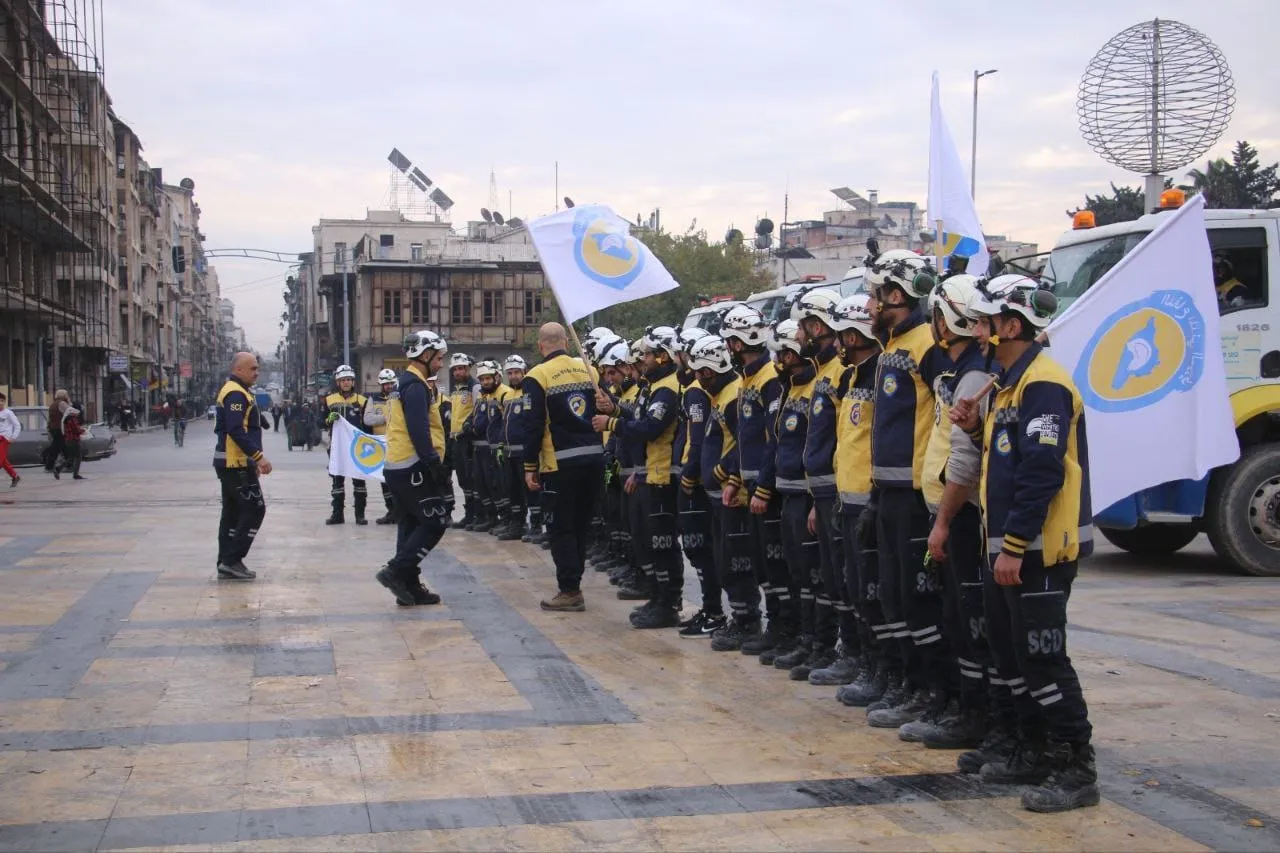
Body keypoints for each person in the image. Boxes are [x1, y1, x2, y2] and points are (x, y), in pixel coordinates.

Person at [951, 274, 1098, 813]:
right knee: (1010, 655)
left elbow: (1041, 472)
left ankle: (1075, 768)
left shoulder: (1043, 385)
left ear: (1013, 325)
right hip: (1008, 547)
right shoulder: (1009, 385)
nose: (981, 332)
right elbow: (1001, 462)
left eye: (989, 323)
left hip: (1036, 550)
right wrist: (970, 427)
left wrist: (1013, 546)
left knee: (1043, 660)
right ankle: (1030, 750)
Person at [861, 249, 950, 731]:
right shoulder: (890, 347)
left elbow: (947, 418)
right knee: (892, 597)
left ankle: (933, 692)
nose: (869, 304)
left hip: (917, 496)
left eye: (875, 294)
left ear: (896, 294)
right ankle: (904, 682)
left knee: (918, 604)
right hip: (888, 493)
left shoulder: (926, 345)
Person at [909, 274, 995, 749]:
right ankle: (958, 705)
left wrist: (942, 521)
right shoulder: (961, 371)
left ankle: (973, 714)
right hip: (947, 512)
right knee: (951, 615)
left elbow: (964, 459)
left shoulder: (974, 378)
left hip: (962, 517)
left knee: (966, 620)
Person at [596, 326, 684, 629]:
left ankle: (669, 602)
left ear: (663, 356)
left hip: (662, 478)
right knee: (651, 543)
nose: (642, 359)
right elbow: (638, 416)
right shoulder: (652, 386)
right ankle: (659, 598)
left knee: (663, 544)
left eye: (647, 354)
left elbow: (650, 428)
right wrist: (618, 408)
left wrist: (612, 422)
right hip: (649, 474)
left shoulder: (668, 388)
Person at [794, 288, 860, 688]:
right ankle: (838, 648)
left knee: (846, 579)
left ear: (816, 326)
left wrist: (830, 496)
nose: (797, 337)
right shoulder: (823, 372)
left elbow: (843, 440)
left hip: (837, 494)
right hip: (819, 495)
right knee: (830, 579)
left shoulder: (838, 372)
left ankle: (851, 652)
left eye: (802, 328)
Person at [525, 322, 605, 612]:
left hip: (560, 462)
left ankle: (569, 589)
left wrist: (529, 464)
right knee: (581, 525)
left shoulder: (537, 375)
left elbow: (532, 425)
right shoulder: (590, 370)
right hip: (594, 458)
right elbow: (605, 407)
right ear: (566, 344)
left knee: (561, 527)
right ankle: (574, 582)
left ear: (540, 345)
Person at [764, 319, 826, 677]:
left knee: (814, 576)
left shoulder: (814, 384)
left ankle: (818, 643)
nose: (780, 361)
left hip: (806, 494)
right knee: (796, 573)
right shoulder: (790, 389)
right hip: (787, 493)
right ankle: (803, 639)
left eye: (784, 353)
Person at [377, 331, 451, 607]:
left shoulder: (404, 382)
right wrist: (434, 464)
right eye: (439, 357)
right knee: (435, 520)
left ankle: (408, 584)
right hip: (412, 465)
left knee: (410, 523)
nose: (441, 363)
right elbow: (419, 430)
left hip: (398, 465)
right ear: (425, 355)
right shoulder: (416, 386)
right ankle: (395, 571)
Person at [213, 352, 272, 581]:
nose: (256, 372)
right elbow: (236, 430)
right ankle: (231, 560)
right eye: (253, 368)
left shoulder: (240, 391)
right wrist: (258, 457)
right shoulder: (235, 393)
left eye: (257, 368)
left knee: (232, 513)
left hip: (232, 462)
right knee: (255, 509)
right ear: (238, 370)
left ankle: (225, 561)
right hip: (234, 462)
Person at [324, 365, 369, 525]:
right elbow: (320, 421)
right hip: (336, 447)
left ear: (353, 381)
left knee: (359, 482)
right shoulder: (329, 400)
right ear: (338, 382)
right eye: (343, 380)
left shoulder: (362, 401)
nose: (346, 383)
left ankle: (360, 514)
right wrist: (328, 419)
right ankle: (337, 514)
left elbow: (368, 425)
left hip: (357, 447)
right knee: (337, 481)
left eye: (349, 380)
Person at [364, 368, 402, 526]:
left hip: (397, 443)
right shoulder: (373, 399)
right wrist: (386, 417)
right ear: (381, 385)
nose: (389, 386)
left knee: (398, 481)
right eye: (386, 384)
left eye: (391, 383)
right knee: (384, 480)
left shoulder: (400, 397)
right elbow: (368, 419)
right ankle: (391, 510)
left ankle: (400, 511)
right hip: (380, 445)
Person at [499, 354, 530, 541]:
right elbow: (505, 423)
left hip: (524, 450)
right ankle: (517, 524)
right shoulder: (507, 395)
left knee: (529, 490)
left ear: (524, 371)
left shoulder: (529, 393)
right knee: (512, 489)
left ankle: (534, 524)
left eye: (516, 372)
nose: (513, 376)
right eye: (510, 373)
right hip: (509, 451)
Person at [447, 353, 479, 527]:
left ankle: (476, 514)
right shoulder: (456, 389)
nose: (458, 372)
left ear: (468, 369)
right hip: (455, 439)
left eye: (461, 369)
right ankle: (469, 513)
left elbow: (478, 411)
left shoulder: (475, 387)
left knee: (470, 477)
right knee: (462, 479)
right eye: (455, 369)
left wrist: (467, 428)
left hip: (468, 440)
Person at [55, 402, 87, 480]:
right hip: (73, 440)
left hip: (69, 440)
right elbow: (76, 429)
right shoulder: (72, 419)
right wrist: (84, 430)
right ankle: (74, 474)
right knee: (78, 457)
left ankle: (59, 469)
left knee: (72, 456)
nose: (77, 415)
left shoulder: (67, 419)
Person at [0, 392, 20, 487]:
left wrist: (13, 437)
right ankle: (15, 476)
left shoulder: (8, 413)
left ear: (4, 402)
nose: (0, 402)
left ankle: (15, 476)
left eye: (2, 401)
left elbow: (17, 425)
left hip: (4, 439)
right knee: (3, 461)